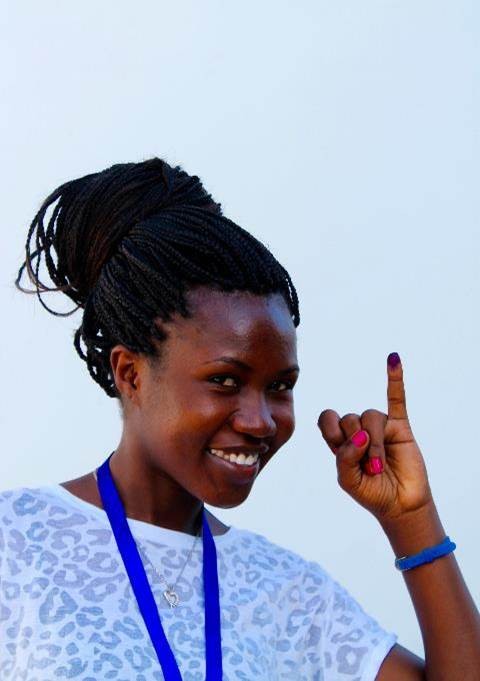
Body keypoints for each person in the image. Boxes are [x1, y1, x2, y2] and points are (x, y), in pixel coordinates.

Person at [2, 158, 479, 680]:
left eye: (280, 387)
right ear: (131, 373)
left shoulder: (290, 596)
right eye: (225, 380)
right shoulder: (16, 542)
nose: (259, 421)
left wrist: (412, 519)